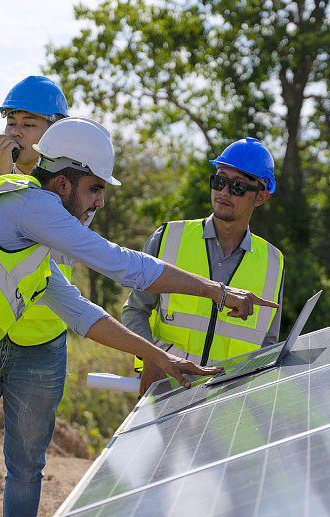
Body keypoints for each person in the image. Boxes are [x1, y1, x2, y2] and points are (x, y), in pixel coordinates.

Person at [0, 117, 276, 516]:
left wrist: (158, 357)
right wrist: (216, 290)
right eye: (95, 189)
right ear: (64, 184)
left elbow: (86, 316)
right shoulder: (31, 205)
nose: (100, 203)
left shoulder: (35, 250)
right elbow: (125, 265)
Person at [0, 76, 79, 516]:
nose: (15, 131)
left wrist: (11, 176)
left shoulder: (68, 188)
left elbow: (47, 252)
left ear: (56, 132)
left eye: (29, 123)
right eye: (11, 120)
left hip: (41, 345)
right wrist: (2, 177)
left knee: (26, 466)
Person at [122, 138, 284, 395]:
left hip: (229, 400)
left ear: (261, 196)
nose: (224, 192)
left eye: (238, 187)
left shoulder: (274, 262)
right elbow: (134, 310)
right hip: (166, 389)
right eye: (219, 181)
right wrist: (151, 360)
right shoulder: (168, 238)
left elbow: (267, 343)